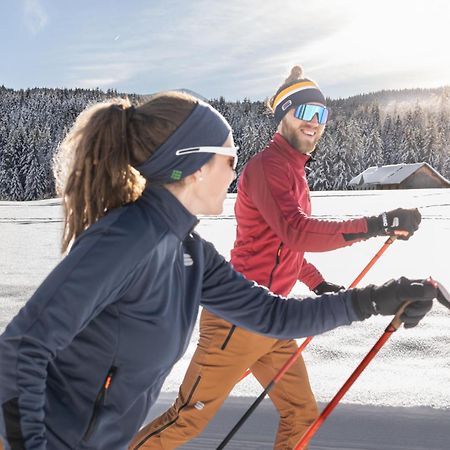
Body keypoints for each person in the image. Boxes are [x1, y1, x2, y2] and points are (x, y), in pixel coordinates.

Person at [0, 92, 435, 450]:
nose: (234, 170)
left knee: (296, 410)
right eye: (229, 157)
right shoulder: (128, 238)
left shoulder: (188, 251)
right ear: (193, 164)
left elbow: (276, 316)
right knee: (189, 417)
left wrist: (379, 298)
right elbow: (20, 351)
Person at [129, 69, 425, 450]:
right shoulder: (268, 167)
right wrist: (377, 223)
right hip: (238, 315)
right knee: (187, 417)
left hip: (273, 319)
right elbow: (296, 231)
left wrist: (315, 281)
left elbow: (286, 248)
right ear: (284, 114)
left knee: (300, 414)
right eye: (306, 112)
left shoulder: (293, 172)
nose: (315, 124)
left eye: (323, 116)